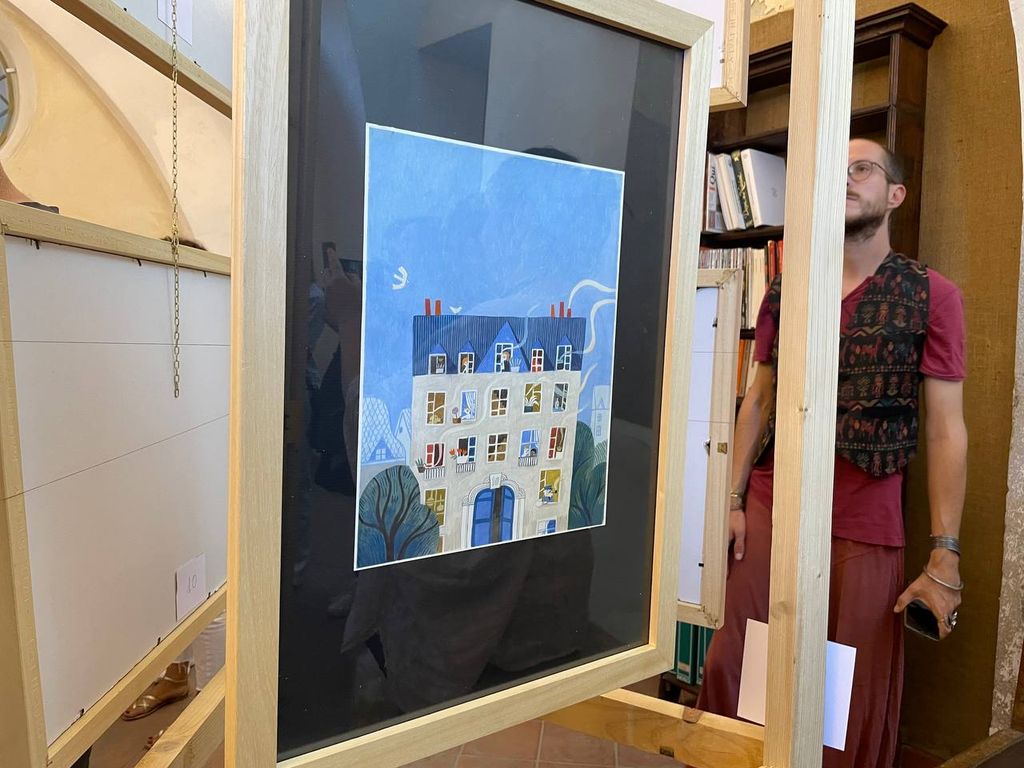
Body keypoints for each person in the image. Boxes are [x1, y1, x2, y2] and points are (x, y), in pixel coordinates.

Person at [697, 138, 967, 768]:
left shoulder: (932, 294)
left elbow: (945, 429)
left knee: (842, 693)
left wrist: (945, 551)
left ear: (895, 194)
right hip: (774, 501)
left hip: (868, 512)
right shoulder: (790, 285)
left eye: (862, 169)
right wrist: (732, 500)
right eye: (835, 171)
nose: (846, 179)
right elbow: (758, 398)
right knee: (737, 664)